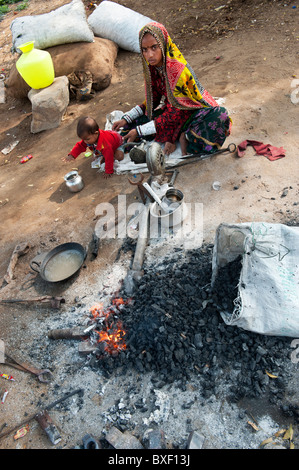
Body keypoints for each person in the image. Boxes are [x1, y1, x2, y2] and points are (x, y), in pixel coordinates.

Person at [112, 22, 232, 156]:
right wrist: (128, 118)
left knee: (220, 115)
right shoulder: (153, 68)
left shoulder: (177, 70)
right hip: (172, 112)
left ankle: (184, 137)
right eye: (144, 49)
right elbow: (152, 101)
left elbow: (179, 112)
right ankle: (175, 135)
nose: (150, 55)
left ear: (163, 45)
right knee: (134, 124)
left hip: (192, 112)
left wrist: (140, 131)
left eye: (154, 47)